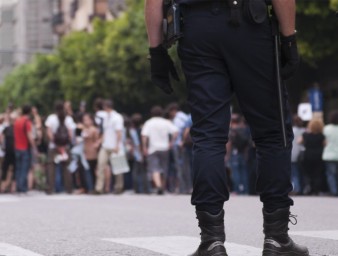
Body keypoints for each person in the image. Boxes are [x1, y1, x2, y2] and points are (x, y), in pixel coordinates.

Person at [145, 0, 309, 255]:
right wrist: (289, 38)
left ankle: (211, 240)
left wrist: (156, 51)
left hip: (196, 28)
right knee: (272, 133)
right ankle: (276, 237)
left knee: (208, 135)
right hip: (249, 26)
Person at [141, 106, 178, 195]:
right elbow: (175, 131)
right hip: (164, 147)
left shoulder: (149, 123)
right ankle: (163, 186)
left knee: (154, 168)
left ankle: (158, 186)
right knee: (164, 167)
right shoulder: (166, 122)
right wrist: (171, 142)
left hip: (153, 148)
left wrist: (144, 147)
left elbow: (144, 135)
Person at [45, 101, 75, 194]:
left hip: (53, 147)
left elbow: (49, 132)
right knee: (67, 167)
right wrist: (65, 145)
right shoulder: (68, 119)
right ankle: (69, 188)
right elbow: (71, 134)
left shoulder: (51, 118)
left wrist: (55, 143)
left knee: (51, 167)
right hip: (65, 147)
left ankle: (50, 188)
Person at [95, 100, 124, 194]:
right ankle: (99, 188)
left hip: (115, 145)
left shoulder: (117, 117)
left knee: (118, 167)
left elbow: (119, 132)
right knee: (101, 165)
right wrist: (100, 141)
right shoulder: (105, 117)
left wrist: (117, 145)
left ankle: (119, 187)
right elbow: (105, 131)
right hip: (106, 145)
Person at [13, 105, 37, 193]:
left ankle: (18, 186)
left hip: (17, 147)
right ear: (29, 111)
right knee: (24, 168)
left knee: (18, 168)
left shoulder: (17, 121)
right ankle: (22, 187)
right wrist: (34, 146)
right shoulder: (27, 122)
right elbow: (29, 136)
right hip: (25, 148)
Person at [299, 119, 325, 195]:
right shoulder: (322, 135)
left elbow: (299, 142)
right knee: (317, 174)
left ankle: (308, 188)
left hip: (307, 155)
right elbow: (325, 144)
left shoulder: (305, 135)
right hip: (319, 155)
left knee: (307, 173)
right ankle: (316, 190)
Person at [227, 114, 250, 194]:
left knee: (235, 172)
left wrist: (227, 155)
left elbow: (229, 143)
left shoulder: (232, 130)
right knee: (244, 172)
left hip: (234, 153)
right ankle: (245, 190)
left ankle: (237, 189)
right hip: (243, 153)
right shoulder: (245, 129)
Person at [322, 111, 338, 196]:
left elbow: (324, 142)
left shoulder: (326, 128)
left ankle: (334, 191)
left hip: (329, 154)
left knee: (331, 174)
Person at [291, 115, 306, 194]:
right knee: (301, 173)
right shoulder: (305, 130)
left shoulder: (291, 130)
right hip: (302, 154)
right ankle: (302, 188)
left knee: (294, 173)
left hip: (292, 153)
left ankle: (297, 188)